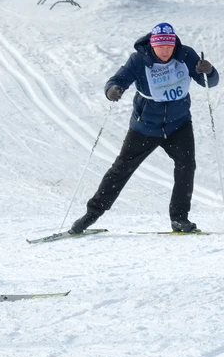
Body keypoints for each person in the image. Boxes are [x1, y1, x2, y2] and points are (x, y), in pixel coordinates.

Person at [70, 23, 218, 235]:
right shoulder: (139, 59)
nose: (165, 51)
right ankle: (90, 216)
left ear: (174, 44)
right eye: (160, 47)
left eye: (169, 47)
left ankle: (179, 219)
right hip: (145, 126)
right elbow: (117, 80)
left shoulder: (186, 55)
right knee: (121, 169)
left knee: (186, 166)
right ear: (153, 45)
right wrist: (113, 90)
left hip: (179, 124)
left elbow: (208, 82)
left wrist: (209, 71)